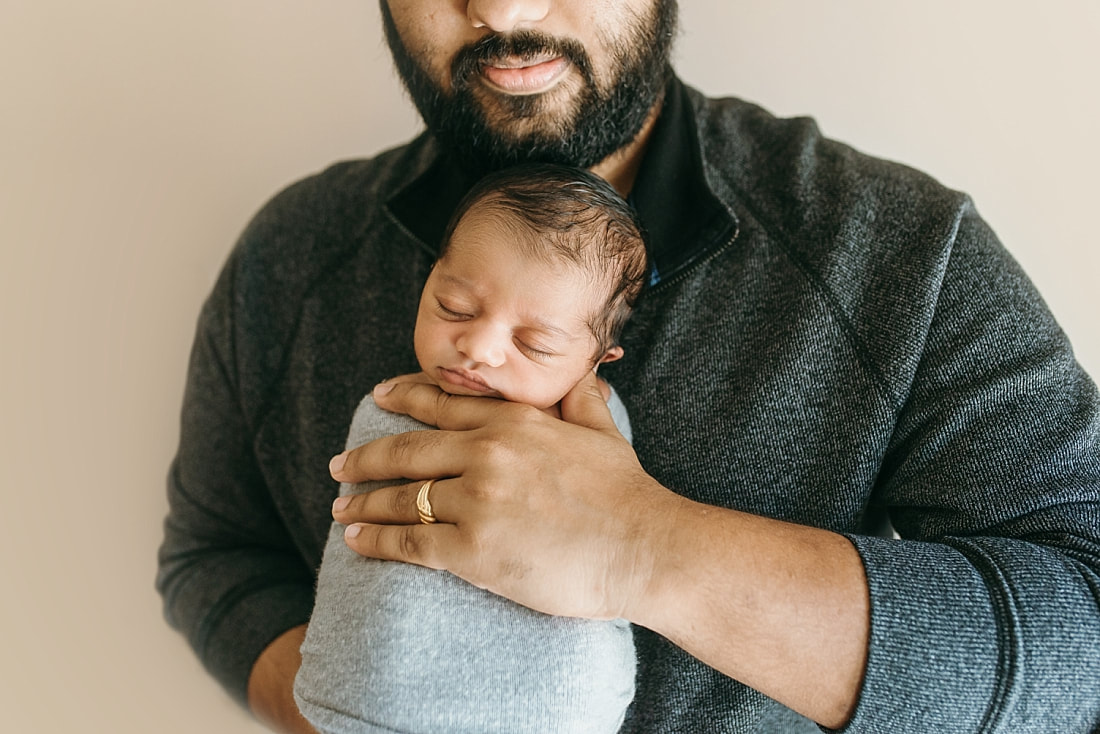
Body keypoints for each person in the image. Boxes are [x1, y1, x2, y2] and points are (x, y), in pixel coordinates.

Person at [157, 1, 1100, 732]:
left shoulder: (898, 249)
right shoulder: (289, 256)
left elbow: (1087, 625)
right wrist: (351, 705)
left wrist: (646, 549)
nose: (502, 11)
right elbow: (214, 559)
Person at [293, 163, 646, 734]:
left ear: (595, 363)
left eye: (535, 344)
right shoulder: (393, 407)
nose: (477, 347)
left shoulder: (597, 433)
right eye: (454, 307)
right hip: (370, 702)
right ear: (429, 280)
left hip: (551, 711)